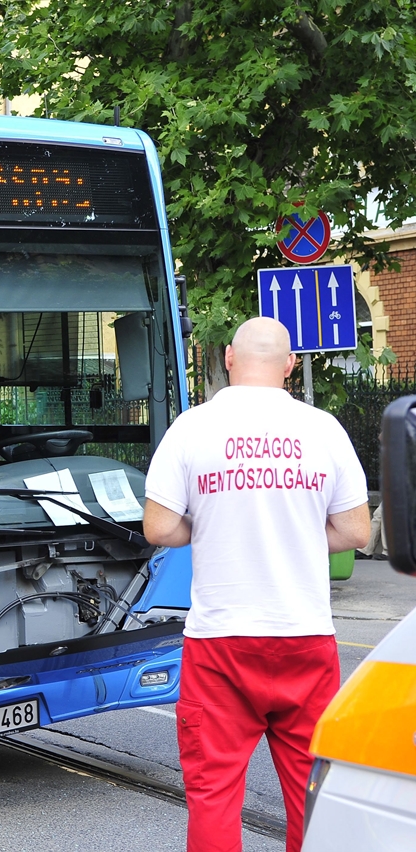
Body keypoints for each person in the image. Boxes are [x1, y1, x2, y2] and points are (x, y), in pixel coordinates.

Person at [142, 317, 370, 852]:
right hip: (305, 638)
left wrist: (217, 522)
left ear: (227, 359)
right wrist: (298, 533)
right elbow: (356, 530)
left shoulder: (191, 428)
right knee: (313, 792)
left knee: (214, 794)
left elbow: (158, 527)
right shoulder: (324, 429)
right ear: (290, 365)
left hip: (219, 643)